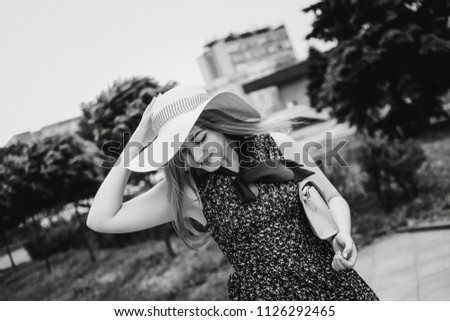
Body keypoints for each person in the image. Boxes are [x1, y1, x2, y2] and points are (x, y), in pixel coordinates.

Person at [86, 84, 379, 301]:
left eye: (200, 140)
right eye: (183, 152)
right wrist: (138, 137)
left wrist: (344, 232)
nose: (197, 156)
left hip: (337, 287)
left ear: (219, 125)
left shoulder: (278, 144)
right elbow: (101, 219)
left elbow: (333, 198)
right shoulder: (188, 191)